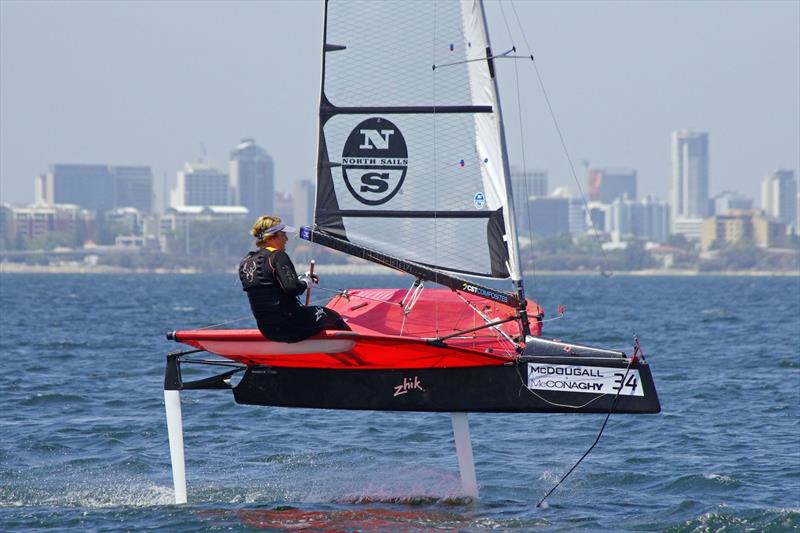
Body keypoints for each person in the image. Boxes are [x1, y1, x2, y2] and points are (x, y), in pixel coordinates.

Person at [238, 215, 350, 343]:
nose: (286, 239)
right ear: (272, 236)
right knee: (333, 317)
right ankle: (357, 351)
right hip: (291, 325)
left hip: (267, 330)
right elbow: (292, 288)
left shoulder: (246, 262)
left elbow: (270, 285)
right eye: (283, 235)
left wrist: (301, 279)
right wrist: (305, 283)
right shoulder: (278, 256)